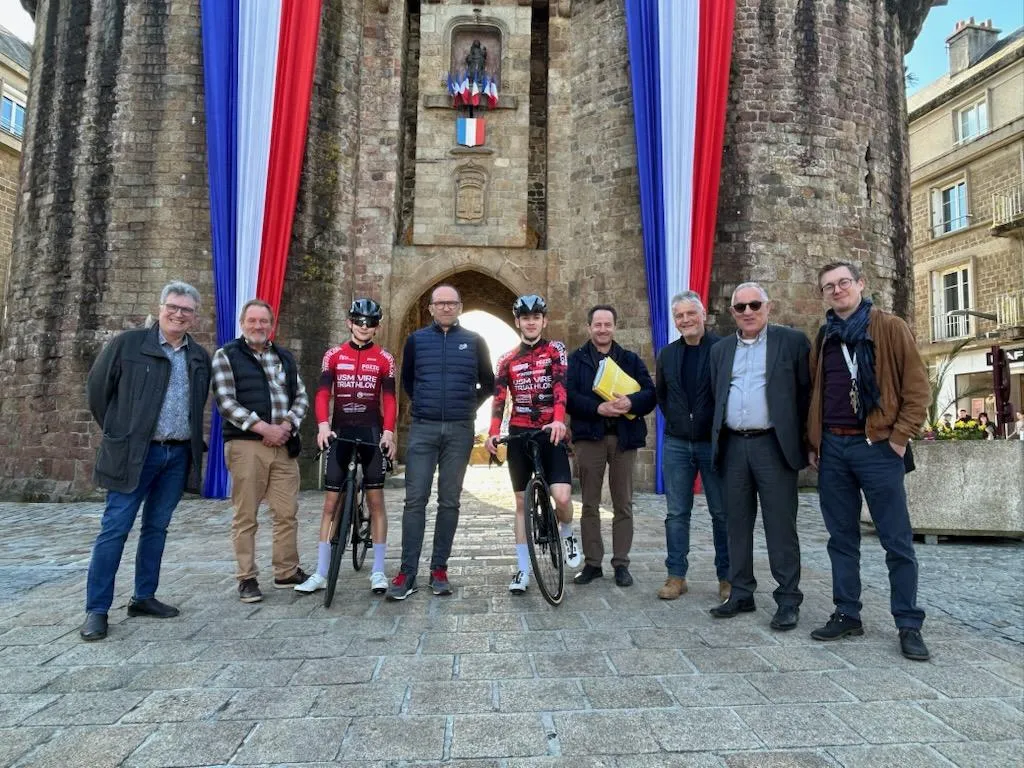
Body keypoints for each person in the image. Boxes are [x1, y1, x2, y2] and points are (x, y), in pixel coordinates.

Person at [806, 262, 932, 660]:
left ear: (861, 284)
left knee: (896, 540)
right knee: (841, 538)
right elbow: (816, 392)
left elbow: (917, 387)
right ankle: (847, 613)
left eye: (844, 282)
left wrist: (899, 438)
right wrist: (814, 441)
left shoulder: (890, 327)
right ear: (823, 295)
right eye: (829, 286)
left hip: (877, 447)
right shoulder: (825, 336)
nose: (837, 290)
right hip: (834, 448)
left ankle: (908, 623)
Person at [80, 281, 212, 641]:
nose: (178, 314)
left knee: (157, 528)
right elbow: (97, 392)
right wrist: (121, 434)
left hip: (176, 454)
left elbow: (197, 404)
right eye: (173, 307)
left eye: (186, 310)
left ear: (194, 316)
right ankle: (96, 610)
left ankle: (143, 597)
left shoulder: (198, 357)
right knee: (115, 528)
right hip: (133, 454)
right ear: (161, 307)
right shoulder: (129, 344)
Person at [708, 282, 810, 632]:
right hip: (734, 445)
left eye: (755, 305)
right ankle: (741, 592)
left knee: (780, 525)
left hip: (774, 445)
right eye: (741, 307)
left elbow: (805, 393)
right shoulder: (721, 350)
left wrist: (806, 442)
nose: (748, 312)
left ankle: (788, 599)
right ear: (732, 312)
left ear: (769, 307)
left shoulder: (792, 342)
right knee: (736, 524)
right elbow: (717, 394)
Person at [387, 285, 495, 600]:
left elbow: (488, 383)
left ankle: (439, 569)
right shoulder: (416, 341)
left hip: (460, 430)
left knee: (449, 501)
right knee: (414, 500)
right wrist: (424, 403)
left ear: (459, 307)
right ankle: (407, 572)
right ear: (431, 308)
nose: (446, 307)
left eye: (452, 303)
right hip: (424, 428)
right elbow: (407, 381)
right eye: (440, 303)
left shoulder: (475, 341)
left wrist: (468, 406)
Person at [294, 299, 397, 595]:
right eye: (359, 321)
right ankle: (321, 572)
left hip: (371, 432)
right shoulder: (334, 355)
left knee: (376, 502)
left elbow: (389, 398)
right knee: (330, 505)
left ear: (377, 327)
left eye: (370, 322)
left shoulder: (384, 359)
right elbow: (322, 393)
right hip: (340, 432)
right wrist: (322, 426)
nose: (364, 326)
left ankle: (378, 571)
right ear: (349, 323)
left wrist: (388, 433)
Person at [214, 299, 310, 603]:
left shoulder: (284, 357)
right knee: (246, 514)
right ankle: (247, 577)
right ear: (243, 323)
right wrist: (263, 428)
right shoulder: (226, 355)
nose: (258, 326)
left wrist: (286, 425)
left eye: (264, 321)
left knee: (287, 512)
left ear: (271, 324)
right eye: (253, 321)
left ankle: (286, 570)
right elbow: (225, 401)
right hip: (247, 446)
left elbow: (301, 397)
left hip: (284, 444)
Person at [485, 294, 582, 593]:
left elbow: (561, 386)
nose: (530, 322)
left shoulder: (555, 350)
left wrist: (559, 420)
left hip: (550, 430)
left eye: (536, 317)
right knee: (520, 504)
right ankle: (523, 570)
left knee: (562, 497)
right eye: (525, 318)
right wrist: (493, 432)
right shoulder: (506, 359)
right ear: (518, 322)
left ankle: (567, 532)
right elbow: (499, 398)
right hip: (519, 432)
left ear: (544, 321)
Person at [566, 305, 657, 587]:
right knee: (589, 504)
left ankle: (621, 564)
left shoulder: (630, 359)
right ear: (589, 327)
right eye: (598, 324)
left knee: (623, 503)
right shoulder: (575, 360)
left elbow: (650, 394)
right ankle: (593, 564)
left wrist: (631, 402)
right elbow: (568, 397)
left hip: (623, 438)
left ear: (615, 327)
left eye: (607, 324)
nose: (603, 329)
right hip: (589, 438)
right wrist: (598, 408)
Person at [655, 291, 729, 602]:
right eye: (679, 316)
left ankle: (727, 577)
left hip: (713, 443)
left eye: (690, 314)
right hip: (677, 443)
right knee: (676, 513)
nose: (685, 320)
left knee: (721, 512)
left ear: (703, 315)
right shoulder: (667, 355)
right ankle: (676, 576)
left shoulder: (723, 349)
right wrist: (678, 421)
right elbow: (662, 395)